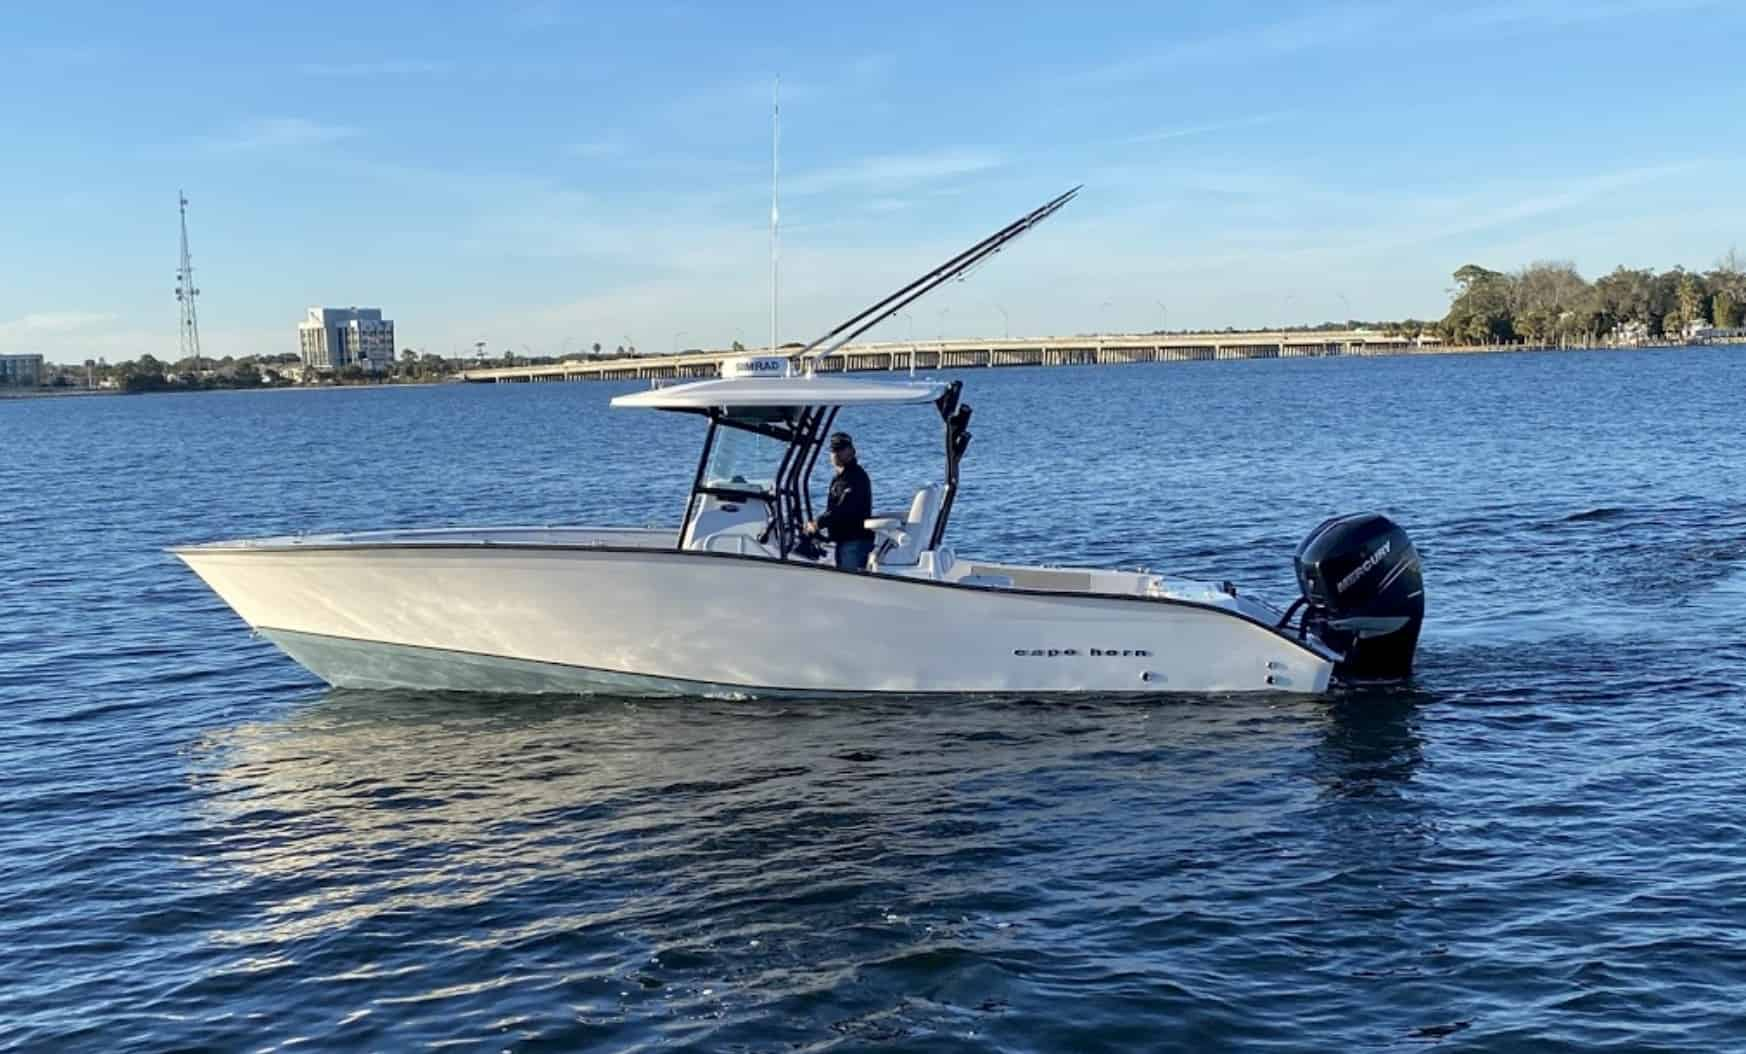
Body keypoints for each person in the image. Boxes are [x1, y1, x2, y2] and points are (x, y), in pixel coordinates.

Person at [806, 432, 874, 571]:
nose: (837, 453)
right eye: (834, 450)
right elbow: (836, 510)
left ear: (852, 451)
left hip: (854, 542)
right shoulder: (841, 478)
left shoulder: (855, 477)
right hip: (845, 541)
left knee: (849, 585)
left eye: (841, 449)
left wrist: (817, 524)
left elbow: (843, 509)